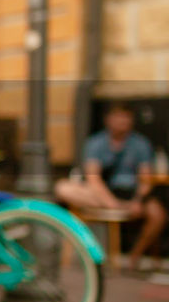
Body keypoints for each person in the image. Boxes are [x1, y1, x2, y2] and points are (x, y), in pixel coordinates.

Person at [55, 102, 165, 271]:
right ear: (108, 120)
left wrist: (138, 200)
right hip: (103, 195)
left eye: (126, 117)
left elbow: (145, 179)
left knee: (158, 215)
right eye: (118, 116)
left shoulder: (140, 144)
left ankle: (134, 257)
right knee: (63, 188)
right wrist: (111, 203)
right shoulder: (96, 143)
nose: (122, 121)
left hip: (132, 195)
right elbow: (94, 179)